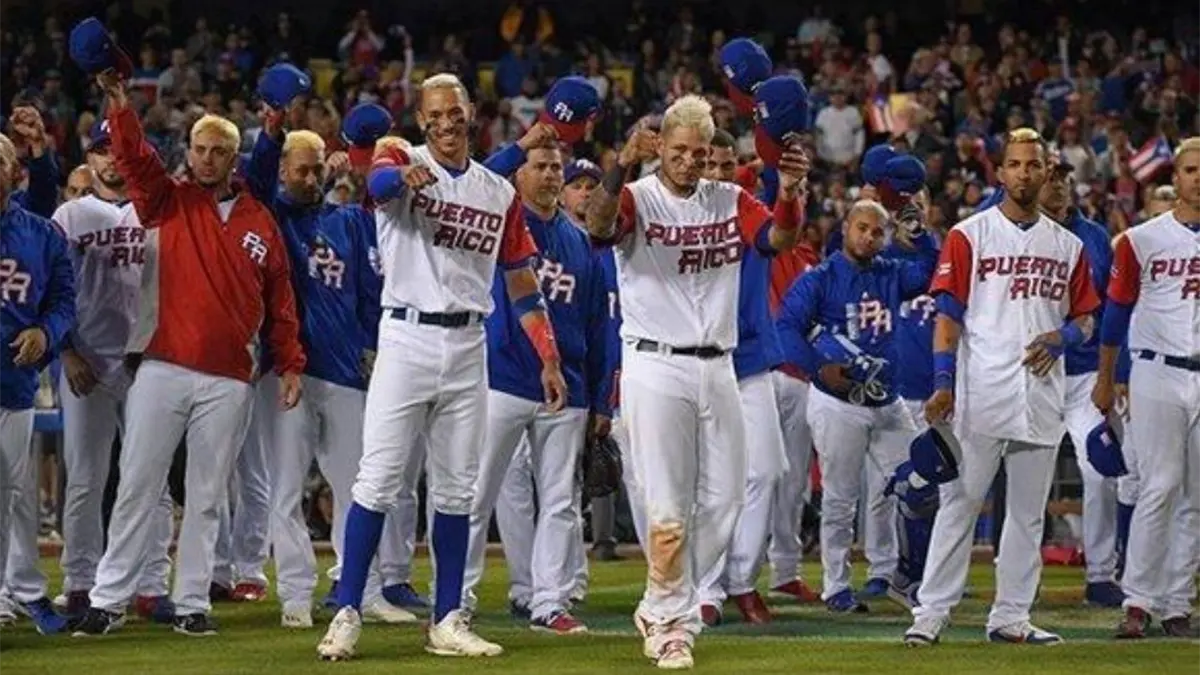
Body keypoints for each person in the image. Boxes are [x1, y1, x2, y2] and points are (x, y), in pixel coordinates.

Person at [317, 73, 567, 660]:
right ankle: (348, 607)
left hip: (468, 345)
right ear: (422, 118)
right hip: (405, 336)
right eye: (435, 114)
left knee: (457, 492)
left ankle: (448, 618)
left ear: (472, 113)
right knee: (376, 480)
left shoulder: (499, 192)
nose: (446, 122)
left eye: (455, 112)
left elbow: (522, 280)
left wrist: (548, 355)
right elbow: (377, 183)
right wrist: (401, 177)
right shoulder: (401, 155)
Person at [72, 72, 306, 638]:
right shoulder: (165, 201)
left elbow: (281, 298)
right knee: (137, 484)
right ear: (189, 152)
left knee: (206, 496)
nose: (205, 159)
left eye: (217, 152)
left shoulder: (260, 220)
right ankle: (108, 598)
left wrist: (291, 361)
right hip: (162, 365)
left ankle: (193, 601)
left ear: (234, 159)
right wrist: (121, 103)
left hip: (230, 377)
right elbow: (134, 157)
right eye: (198, 149)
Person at [584, 94, 806, 669]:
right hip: (656, 363)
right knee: (667, 503)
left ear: (711, 151)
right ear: (661, 147)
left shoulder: (729, 198)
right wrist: (620, 163)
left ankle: (666, 601)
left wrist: (791, 193)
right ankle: (670, 619)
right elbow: (600, 225)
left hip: (719, 363)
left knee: (728, 497)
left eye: (698, 152)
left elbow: (778, 240)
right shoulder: (638, 195)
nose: (688, 161)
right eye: (677, 151)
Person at [906, 128, 1099, 646]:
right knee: (961, 504)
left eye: (1032, 165)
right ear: (1001, 172)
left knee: (1026, 516)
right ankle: (930, 614)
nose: (1023, 173)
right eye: (1014, 164)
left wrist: (1063, 336)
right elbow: (947, 315)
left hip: (1041, 394)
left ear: (1044, 171)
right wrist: (943, 381)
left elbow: (1088, 320)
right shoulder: (970, 235)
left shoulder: (1070, 246)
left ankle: (1011, 616)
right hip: (982, 391)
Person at [244, 114, 422, 626]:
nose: (310, 177)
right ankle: (296, 596)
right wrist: (273, 131)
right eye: (301, 169)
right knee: (286, 490)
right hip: (287, 372)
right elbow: (255, 182)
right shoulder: (271, 217)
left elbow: (370, 294)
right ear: (282, 171)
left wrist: (373, 349)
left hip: (345, 372)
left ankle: (360, 591)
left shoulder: (348, 221)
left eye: (317, 168)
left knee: (359, 489)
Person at [462, 138, 614, 635]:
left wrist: (597, 396)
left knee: (560, 500)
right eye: (540, 167)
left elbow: (596, 326)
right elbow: (471, 178)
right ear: (518, 176)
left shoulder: (579, 242)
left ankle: (549, 602)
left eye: (556, 167)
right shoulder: (497, 224)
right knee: (474, 495)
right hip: (504, 375)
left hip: (565, 386)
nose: (550, 175)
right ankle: (456, 598)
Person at [777, 198, 938, 613]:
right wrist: (817, 368)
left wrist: (920, 235)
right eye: (862, 228)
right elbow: (786, 327)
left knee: (917, 484)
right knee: (840, 499)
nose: (869, 236)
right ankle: (836, 586)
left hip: (887, 398)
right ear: (846, 227)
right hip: (838, 403)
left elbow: (931, 274)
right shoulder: (822, 278)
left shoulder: (890, 272)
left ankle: (905, 576)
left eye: (878, 231)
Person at [51, 120, 176, 625]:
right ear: (91, 158)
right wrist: (67, 353)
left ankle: (151, 584)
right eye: (100, 151)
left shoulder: (159, 212)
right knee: (85, 477)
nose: (108, 159)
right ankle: (80, 581)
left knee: (153, 479)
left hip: (147, 361)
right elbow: (51, 289)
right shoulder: (71, 214)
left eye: (116, 149)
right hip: (86, 360)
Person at [696, 129, 805, 626]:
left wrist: (787, 191)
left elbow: (783, 235)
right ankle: (706, 587)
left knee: (767, 470)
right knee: (708, 480)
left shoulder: (746, 207)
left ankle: (741, 578)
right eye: (711, 165)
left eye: (727, 164)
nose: (719, 173)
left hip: (752, 358)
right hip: (700, 359)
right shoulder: (680, 215)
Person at [1093, 137, 1200, 639]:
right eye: (1190, 170)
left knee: (1196, 497)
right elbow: (1115, 313)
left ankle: (1177, 604)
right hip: (1157, 369)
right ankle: (1137, 601)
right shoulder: (1142, 239)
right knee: (1159, 486)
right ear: (1174, 178)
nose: (1197, 178)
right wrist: (1107, 377)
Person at [1036, 155, 1123, 607]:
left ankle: (1102, 573)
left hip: (1085, 373)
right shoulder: (1019, 230)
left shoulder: (1094, 238)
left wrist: (1112, 375)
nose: (1059, 186)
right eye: (1050, 177)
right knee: (1023, 474)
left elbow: (1111, 309)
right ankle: (1020, 571)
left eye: (1064, 179)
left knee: (1102, 469)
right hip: (1036, 373)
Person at [0, 131, 75, 634]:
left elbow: (65, 301)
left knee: (8, 492)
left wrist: (45, 332)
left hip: (15, 383)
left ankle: (10, 594)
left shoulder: (44, 235)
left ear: (14, 172)